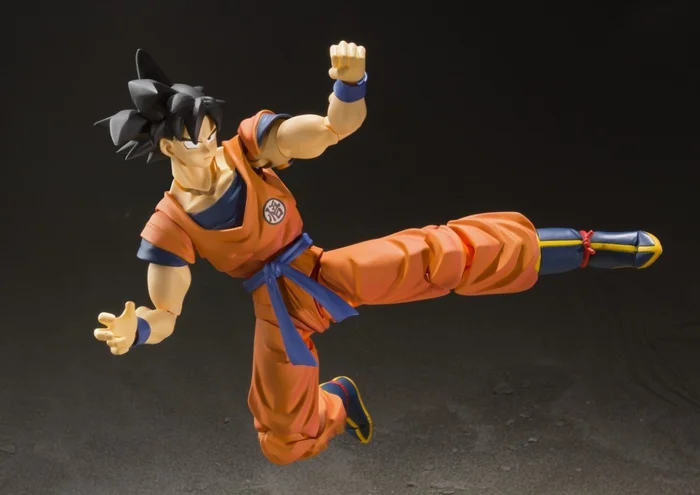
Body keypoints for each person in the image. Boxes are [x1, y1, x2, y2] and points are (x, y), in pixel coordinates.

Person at [93, 42, 663, 466]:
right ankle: (338, 401)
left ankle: (585, 247)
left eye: (209, 129)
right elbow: (166, 313)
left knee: (437, 253)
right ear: (167, 147)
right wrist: (136, 330)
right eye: (194, 139)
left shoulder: (248, 147)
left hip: (320, 269)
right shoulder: (169, 224)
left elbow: (331, 130)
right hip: (278, 309)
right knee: (283, 438)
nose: (209, 145)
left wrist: (350, 84)